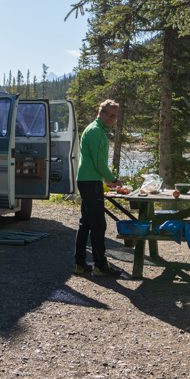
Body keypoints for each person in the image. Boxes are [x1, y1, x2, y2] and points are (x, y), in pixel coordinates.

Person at [74, 99, 124, 277]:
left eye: (114, 116)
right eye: (109, 114)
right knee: (98, 224)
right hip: (90, 182)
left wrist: (107, 180)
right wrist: (113, 180)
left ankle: (80, 264)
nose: (112, 118)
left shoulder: (96, 130)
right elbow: (98, 163)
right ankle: (100, 265)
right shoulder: (96, 131)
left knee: (86, 222)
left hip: (88, 180)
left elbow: (95, 162)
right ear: (100, 112)